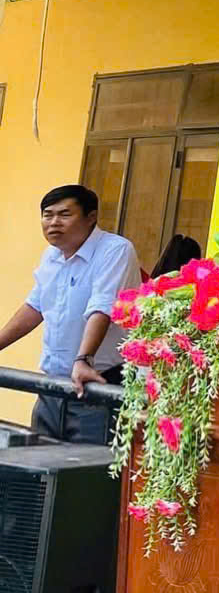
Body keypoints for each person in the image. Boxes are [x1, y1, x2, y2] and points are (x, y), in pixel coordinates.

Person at [0, 185, 141, 443]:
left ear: (91, 217)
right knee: (40, 461)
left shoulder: (115, 250)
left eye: (64, 214)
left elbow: (102, 308)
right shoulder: (51, 256)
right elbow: (34, 307)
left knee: (88, 464)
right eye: (47, 215)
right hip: (52, 387)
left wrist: (83, 359)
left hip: (98, 386)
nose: (54, 222)